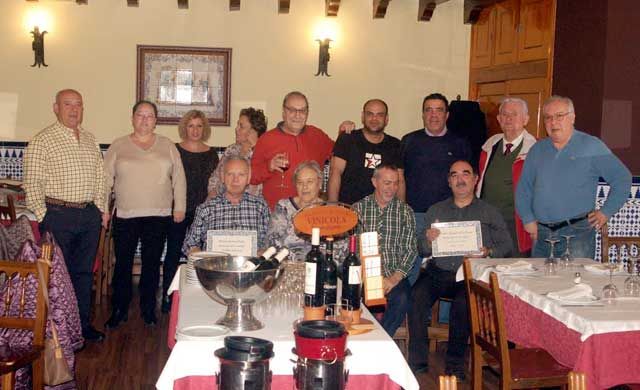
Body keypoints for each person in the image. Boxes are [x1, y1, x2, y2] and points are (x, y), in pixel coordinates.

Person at [408, 160, 512, 379]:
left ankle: (455, 365)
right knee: (416, 296)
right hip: (438, 271)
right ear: (449, 181)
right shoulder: (436, 210)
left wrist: (488, 251)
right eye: (454, 175)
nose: (460, 179)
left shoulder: (488, 211)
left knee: (464, 305)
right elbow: (421, 247)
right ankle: (417, 363)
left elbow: (506, 245)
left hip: (470, 274)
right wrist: (427, 239)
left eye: (465, 174)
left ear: (475, 180)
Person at [23, 88, 107, 342]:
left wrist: (101, 209)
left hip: (89, 215)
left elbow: (100, 178)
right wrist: (44, 215)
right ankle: (57, 330)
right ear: (56, 107)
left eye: (78, 104)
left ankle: (81, 326)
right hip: (58, 215)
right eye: (67, 104)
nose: (73, 109)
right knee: (58, 275)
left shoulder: (91, 139)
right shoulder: (42, 140)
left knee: (83, 274)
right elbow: (31, 182)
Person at [515, 95, 632, 258]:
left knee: (575, 283)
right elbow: (523, 189)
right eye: (548, 117)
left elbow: (622, 178)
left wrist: (605, 212)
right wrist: (528, 220)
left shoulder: (592, 145)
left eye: (559, 116)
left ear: (572, 117)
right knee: (541, 283)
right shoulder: (537, 149)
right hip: (541, 234)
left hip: (578, 235)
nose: (553, 122)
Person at [104, 100, 186, 328]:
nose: (144, 119)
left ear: (156, 121)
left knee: (151, 264)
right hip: (125, 215)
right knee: (122, 264)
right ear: (132, 118)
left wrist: (179, 207)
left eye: (149, 116)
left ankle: (148, 309)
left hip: (158, 215)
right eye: (140, 115)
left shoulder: (167, 145)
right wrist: (103, 209)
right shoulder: (118, 145)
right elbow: (104, 181)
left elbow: (179, 179)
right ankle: (119, 308)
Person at [161, 110, 219, 313]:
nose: (195, 130)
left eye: (199, 126)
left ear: (205, 128)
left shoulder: (211, 153)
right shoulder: (174, 150)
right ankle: (168, 298)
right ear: (185, 127)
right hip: (178, 210)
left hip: (202, 212)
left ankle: (200, 298)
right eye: (191, 125)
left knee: (201, 257)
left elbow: (214, 184)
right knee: (173, 254)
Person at [352, 164, 417, 336]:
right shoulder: (357, 209)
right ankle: (367, 340)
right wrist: (364, 277)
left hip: (392, 275)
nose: (392, 188)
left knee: (403, 298)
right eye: (387, 183)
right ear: (374, 182)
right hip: (364, 276)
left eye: (395, 183)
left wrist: (394, 278)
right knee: (354, 299)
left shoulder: (405, 212)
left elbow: (411, 250)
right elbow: (348, 247)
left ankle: (381, 339)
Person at [401, 93, 472, 250]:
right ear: (423, 114)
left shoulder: (460, 143)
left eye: (439, 110)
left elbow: (469, 180)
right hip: (415, 215)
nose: (433, 115)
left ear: (447, 115)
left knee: (446, 264)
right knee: (412, 266)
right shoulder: (408, 141)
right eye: (429, 110)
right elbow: (399, 178)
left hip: (450, 215)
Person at [250, 91, 334, 209]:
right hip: (278, 215)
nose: (297, 115)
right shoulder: (266, 139)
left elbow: (339, 154)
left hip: (310, 214)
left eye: (302, 111)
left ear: (307, 113)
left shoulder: (317, 135)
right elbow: (251, 177)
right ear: (284, 112)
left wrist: (344, 132)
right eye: (292, 110)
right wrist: (268, 167)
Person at [477, 97, 537, 257]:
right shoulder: (489, 147)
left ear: (526, 119)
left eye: (514, 114)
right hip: (488, 224)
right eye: (504, 114)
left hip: (518, 226)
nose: (508, 118)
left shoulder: (536, 151)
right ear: (498, 119)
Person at [183, 155, 270, 254]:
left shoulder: (261, 207)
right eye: (230, 174)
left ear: (249, 178)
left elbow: (268, 243)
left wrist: (262, 253)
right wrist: (201, 257)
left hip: (249, 267)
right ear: (222, 177)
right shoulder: (206, 208)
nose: (235, 180)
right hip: (214, 267)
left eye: (241, 174)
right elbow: (189, 244)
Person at [328, 99, 404, 204]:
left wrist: (401, 211)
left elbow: (400, 181)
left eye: (380, 115)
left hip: (383, 214)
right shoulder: (347, 139)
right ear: (363, 116)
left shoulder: (395, 145)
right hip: (348, 211)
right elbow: (335, 173)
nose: (374, 118)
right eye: (370, 114)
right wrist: (333, 207)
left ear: (386, 119)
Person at [267, 161, 346, 261]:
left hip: (321, 268)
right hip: (289, 267)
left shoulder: (330, 212)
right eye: (300, 182)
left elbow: (340, 248)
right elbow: (272, 243)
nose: (304, 187)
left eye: (309, 182)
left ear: (320, 183)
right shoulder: (284, 208)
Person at [208, 107, 267, 198]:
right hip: (222, 204)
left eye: (241, 126)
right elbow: (215, 178)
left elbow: (255, 190)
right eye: (237, 125)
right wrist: (212, 195)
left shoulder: (263, 154)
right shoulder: (232, 149)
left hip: (249, 208)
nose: (236, 129)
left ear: (253, 131)